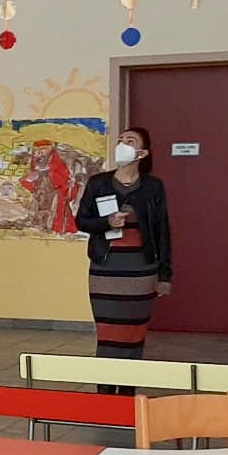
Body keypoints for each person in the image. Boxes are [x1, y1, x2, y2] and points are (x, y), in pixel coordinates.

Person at [74, 126, 172, 376]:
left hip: (141, 272)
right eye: (120, 140)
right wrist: (107, 223)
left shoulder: (153, 186)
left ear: (142, 152)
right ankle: (106, 388)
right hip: (106, 271)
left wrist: (165, 276)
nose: (122, 145)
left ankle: (128, 388)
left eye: (130, 141)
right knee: (108, 332)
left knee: (133, 335)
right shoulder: (98, 183)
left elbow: (162, 231)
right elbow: (82, 221)